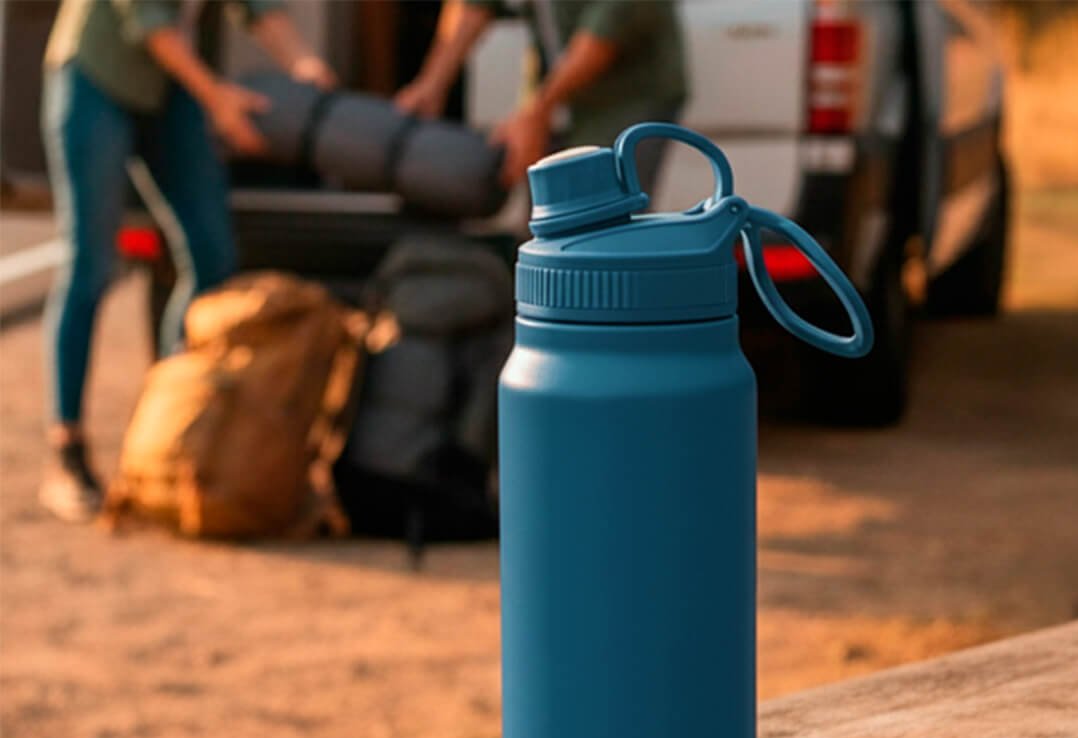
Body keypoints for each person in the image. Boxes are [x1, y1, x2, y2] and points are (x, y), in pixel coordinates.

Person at [39, 0, 336, 522]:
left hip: (166, 84)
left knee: (211, 254)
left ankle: (169, 421)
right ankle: (68, 449)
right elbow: (151, 25)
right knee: (90, 264)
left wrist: (304, 64)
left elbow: (259, 7)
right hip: (97, 76)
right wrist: (218, 98)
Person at [395, 0, 687, 191]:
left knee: (602, 221)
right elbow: (476, 5)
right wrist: (432, 83)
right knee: (545, 222)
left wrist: (537, 112)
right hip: (556, 88)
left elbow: (607, 31)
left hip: (627, 96)